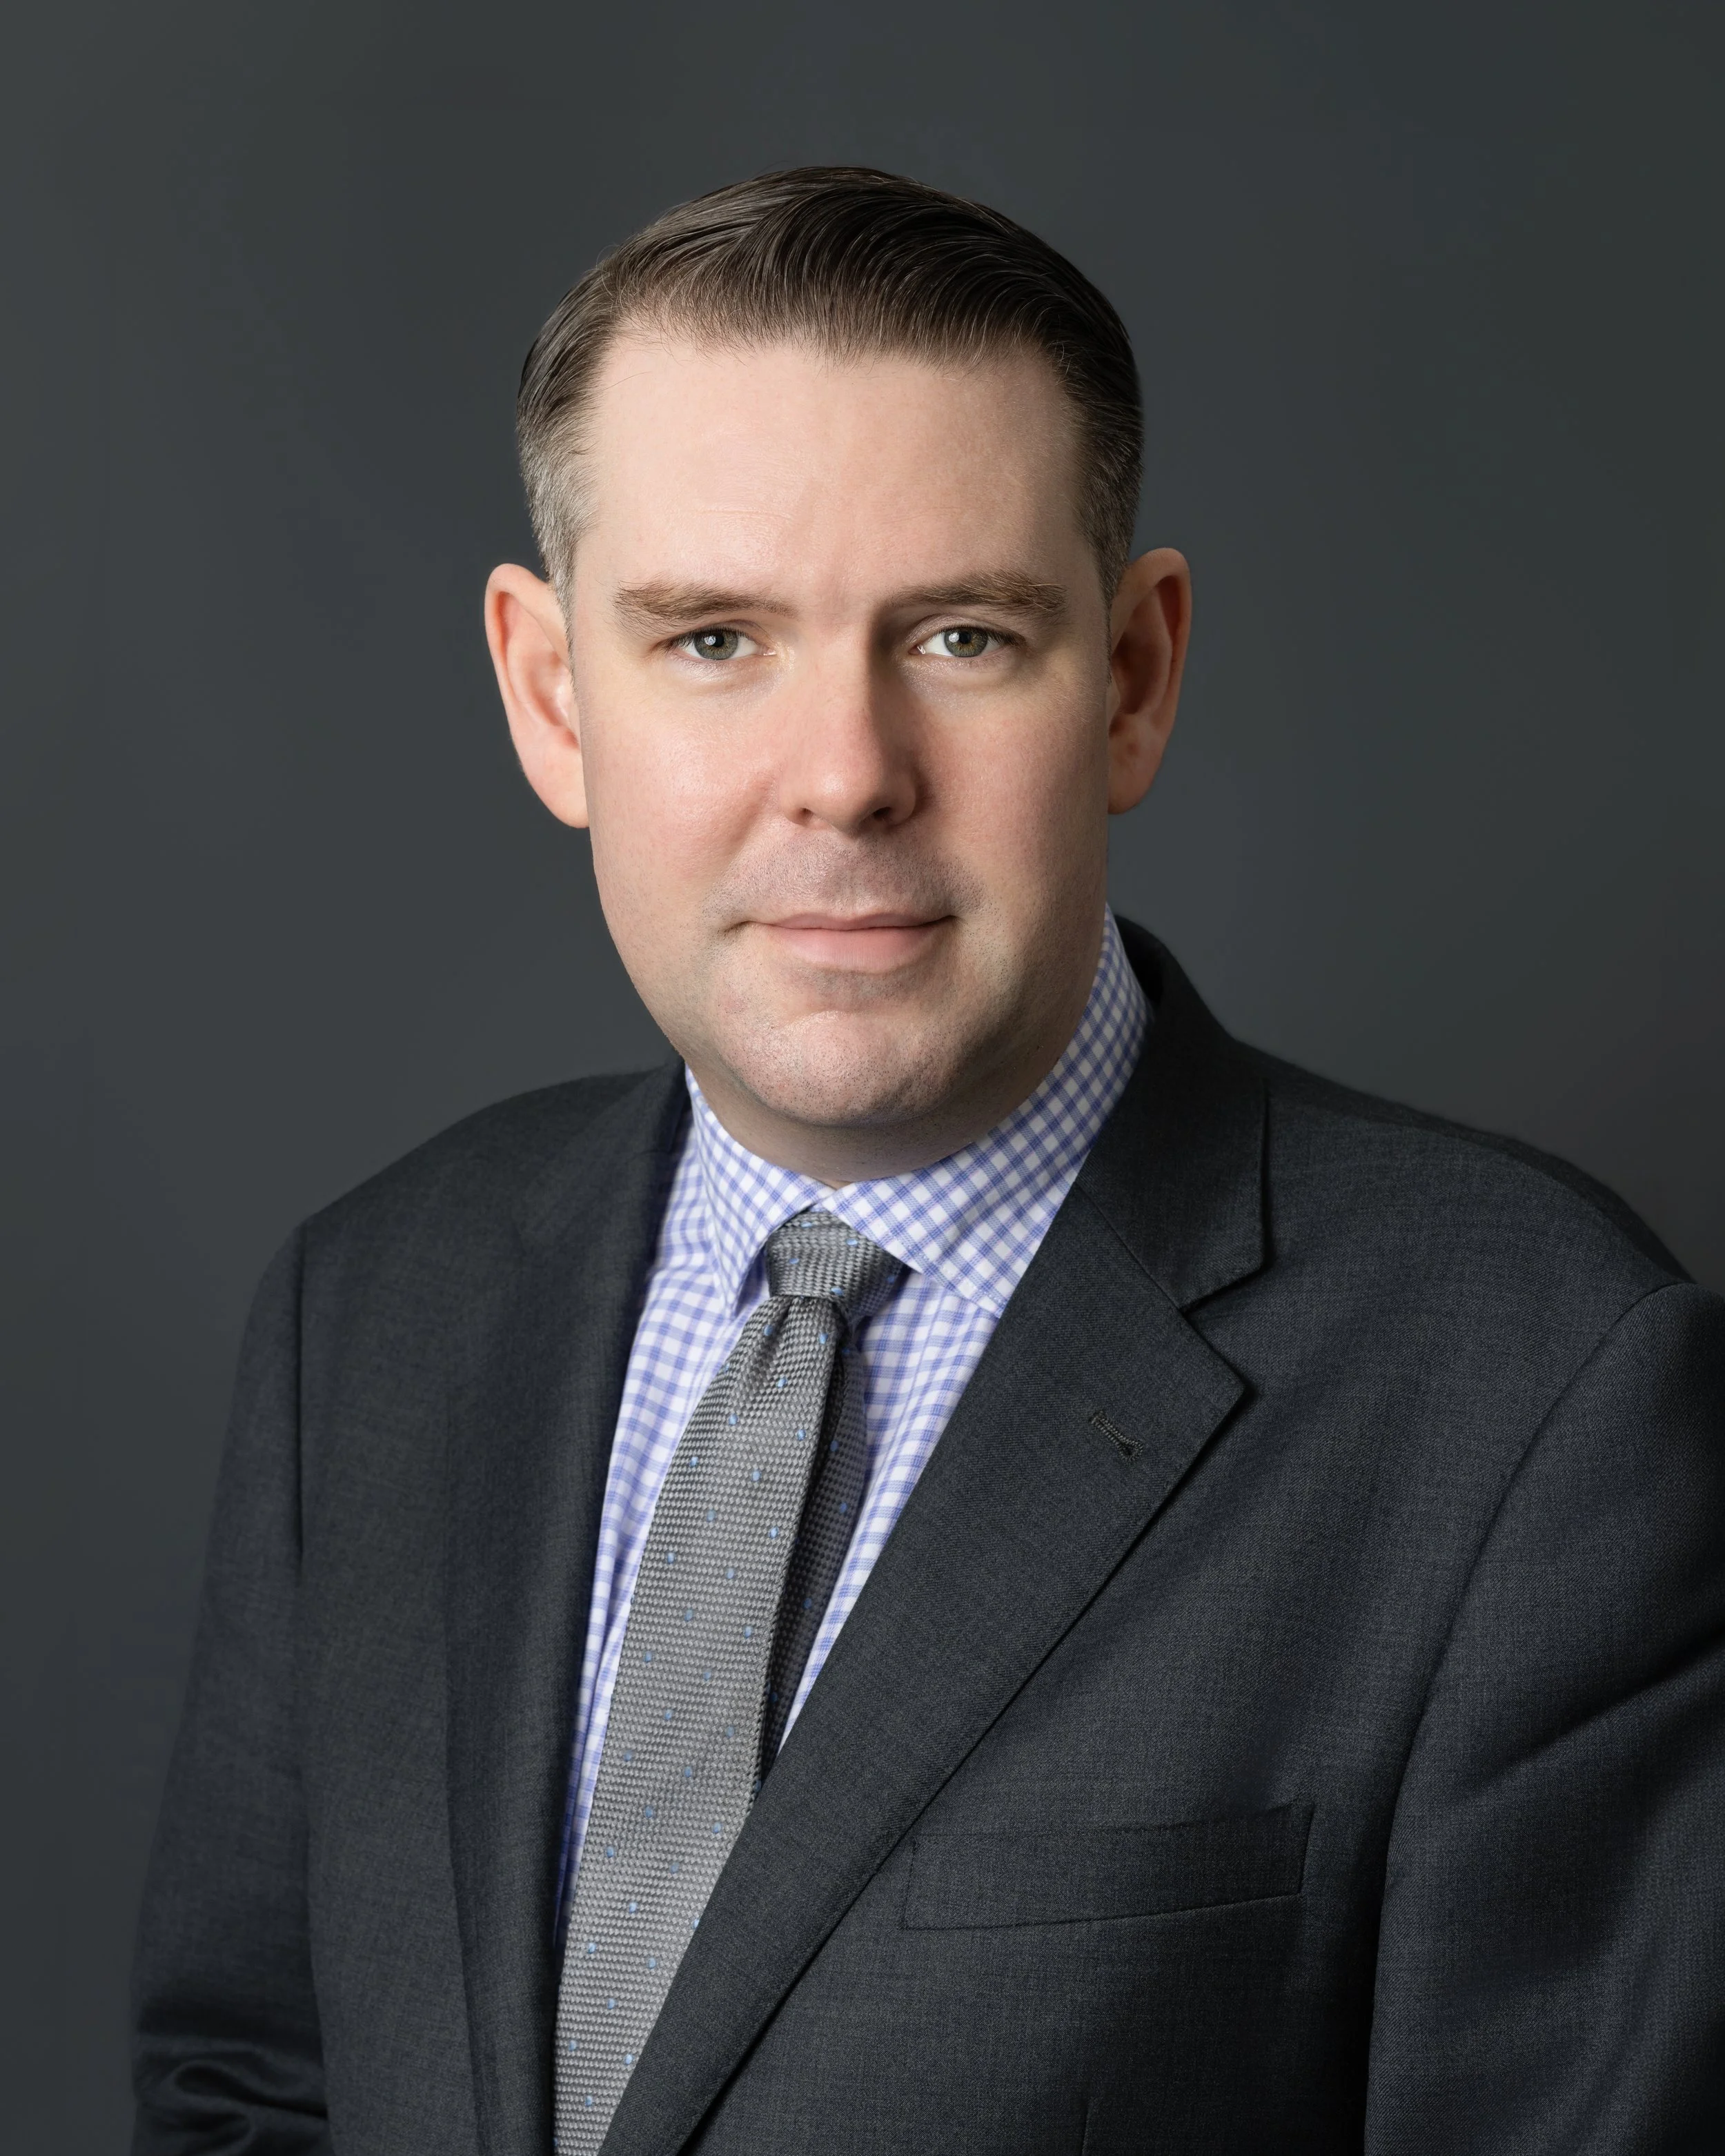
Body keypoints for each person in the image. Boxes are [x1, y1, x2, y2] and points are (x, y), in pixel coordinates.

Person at [131, 168, 1725, 2156]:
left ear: (1131, 676)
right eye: (712, 638)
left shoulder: (1539, 1392)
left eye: (961, 634)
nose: (847, 771)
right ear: (552, 696)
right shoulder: (374, 1306)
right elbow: (249, 2086)